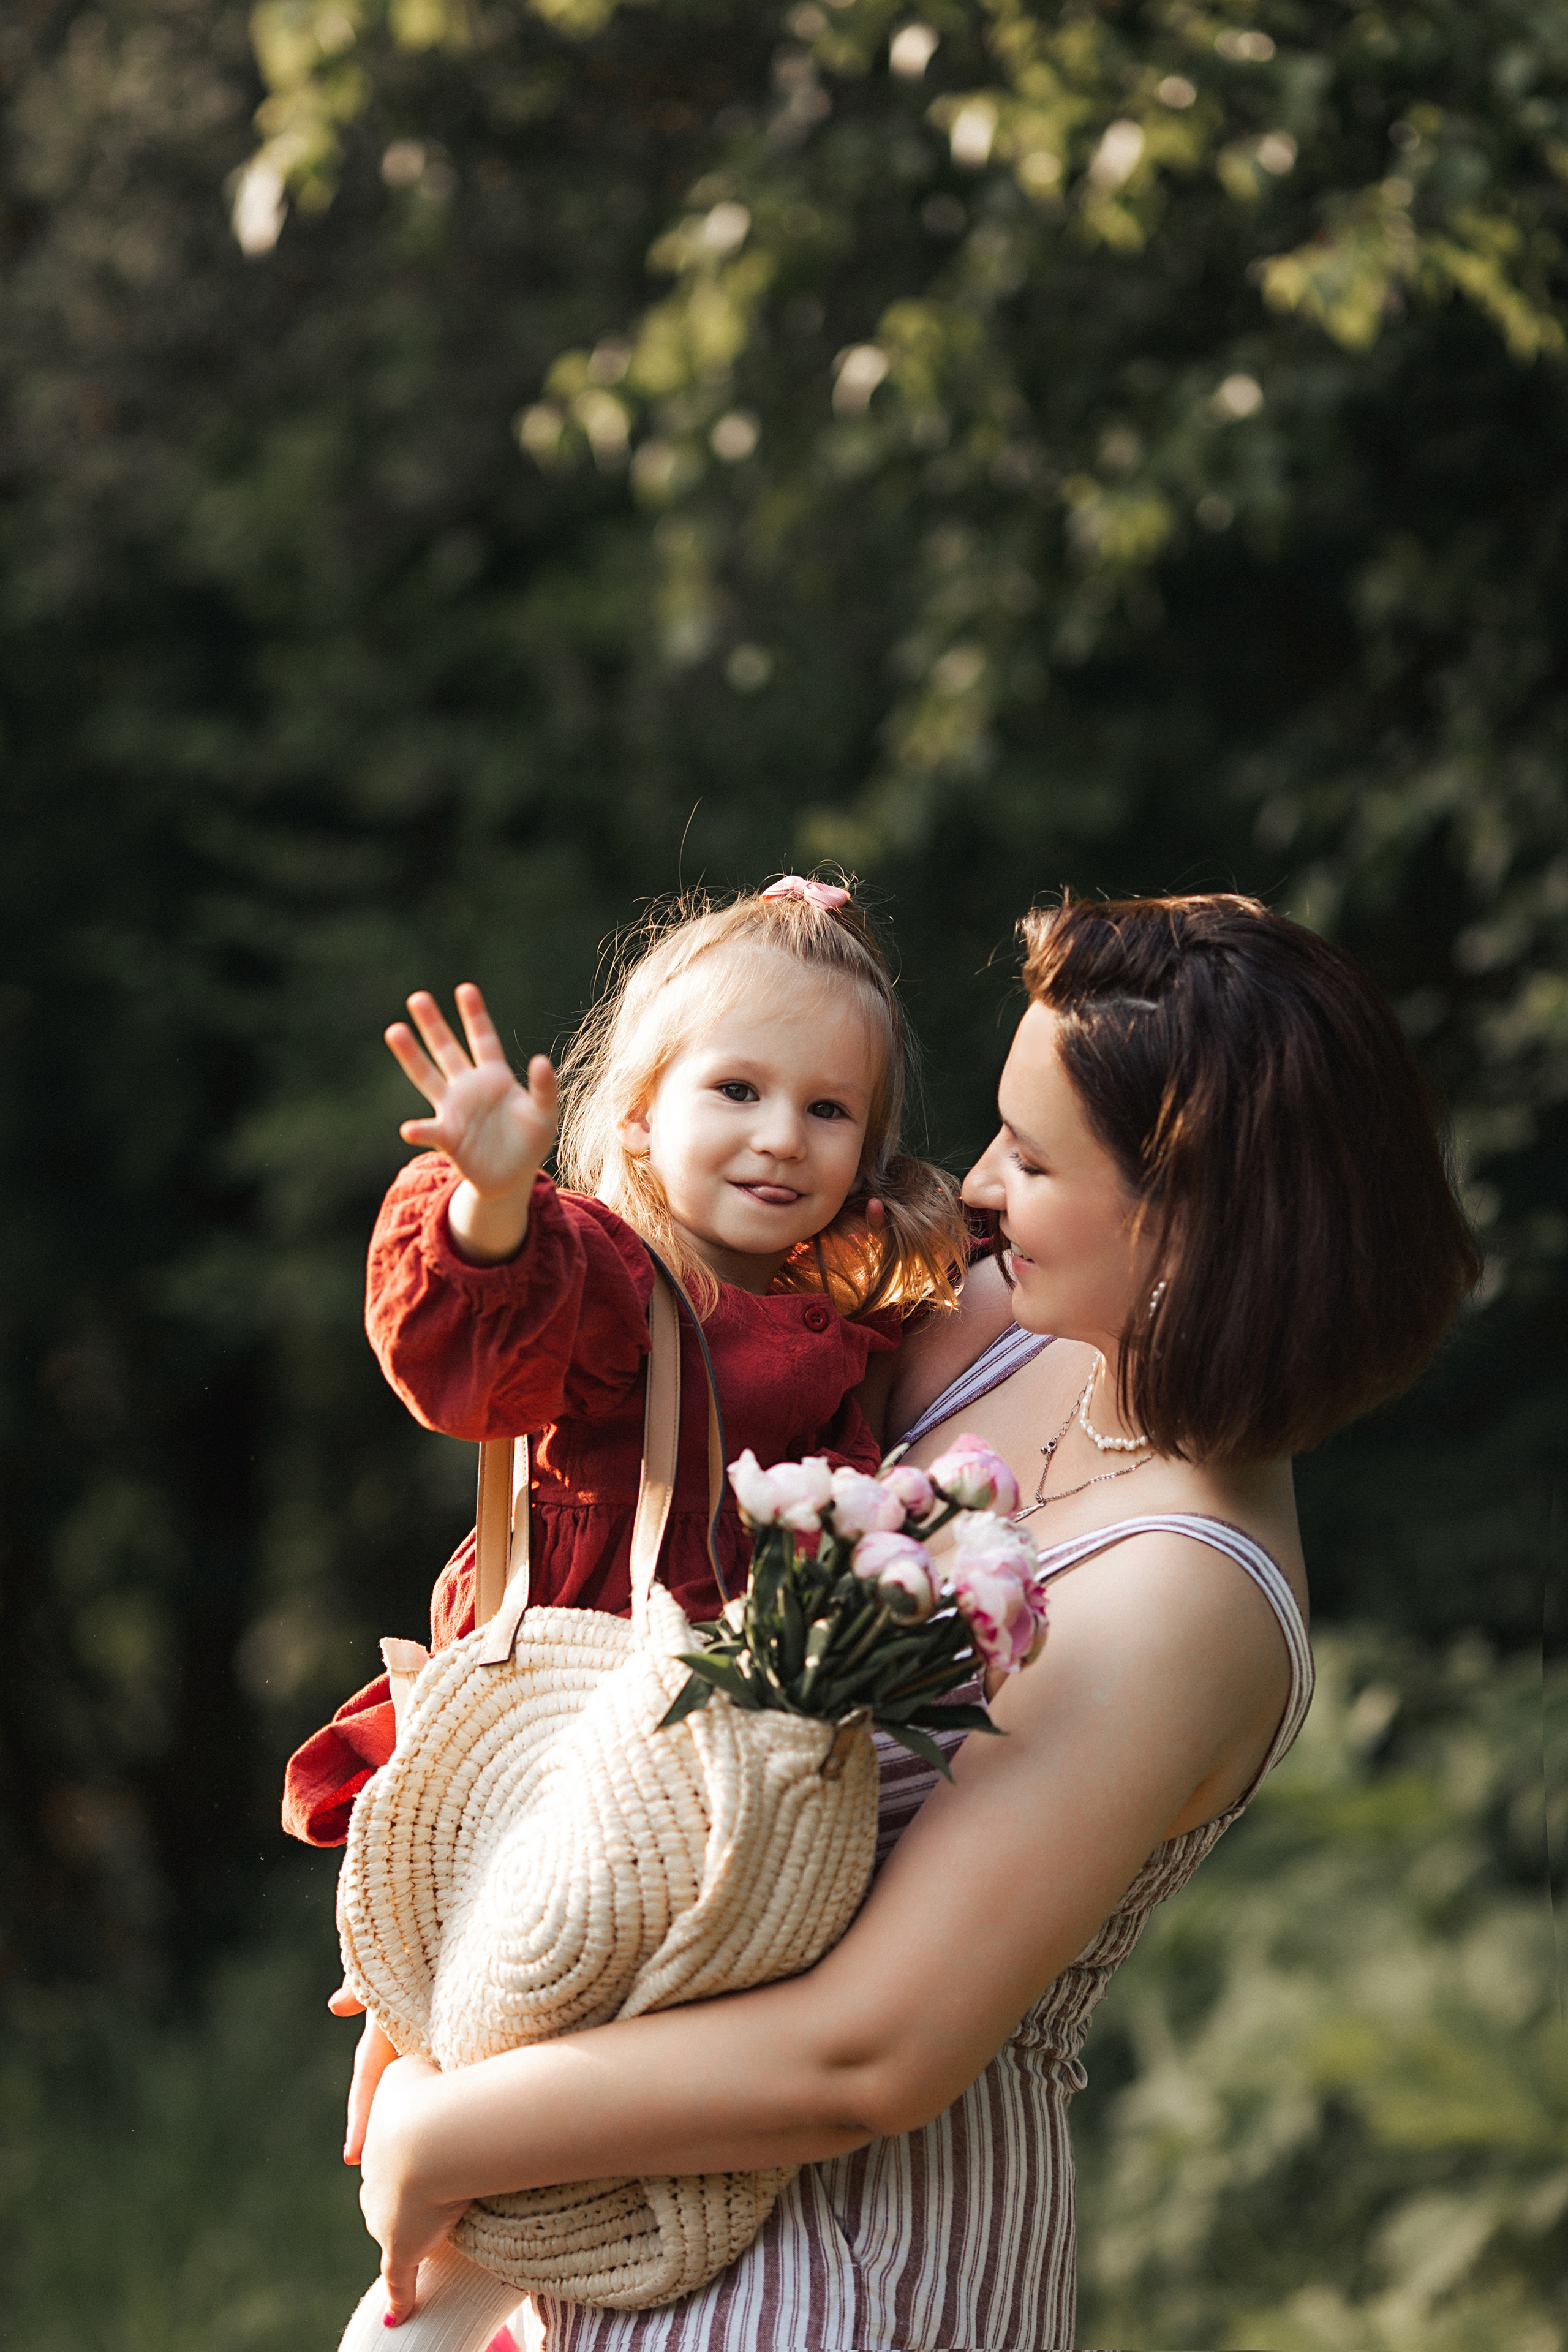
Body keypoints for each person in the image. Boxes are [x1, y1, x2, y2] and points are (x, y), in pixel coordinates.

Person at [336, 891, 1481, 2352]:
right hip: (594, 2196)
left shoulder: (1183, 1589)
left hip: (837, 2270)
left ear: (1187, 1221)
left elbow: (862, 2056)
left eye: (1036, 1158)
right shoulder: (1012, 1333)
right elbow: (679, 1320)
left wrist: (447, 2134)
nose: (980, 1187)